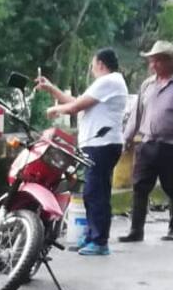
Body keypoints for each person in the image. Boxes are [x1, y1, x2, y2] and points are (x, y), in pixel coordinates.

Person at [35, 48, 128, 256]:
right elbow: (77, 102)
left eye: (92, 65)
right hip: (98, 144)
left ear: (101, 64)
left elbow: (74, 108)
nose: (92, 69)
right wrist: (51, 89)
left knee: (96, 192)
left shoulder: (108, 81)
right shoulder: (110, 83)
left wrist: (54, 110)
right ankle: (93, 236)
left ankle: (99, 240)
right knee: (93, 191)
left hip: (102, 145)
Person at [120, 40, 173, 242]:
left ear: (169, 62)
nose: (153, 65)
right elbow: (136, 113)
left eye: (157, 61)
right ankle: (136, 230)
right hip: (148, 143)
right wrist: (127, 137)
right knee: (140, 186)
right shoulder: (147, 84)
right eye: (151, 61)